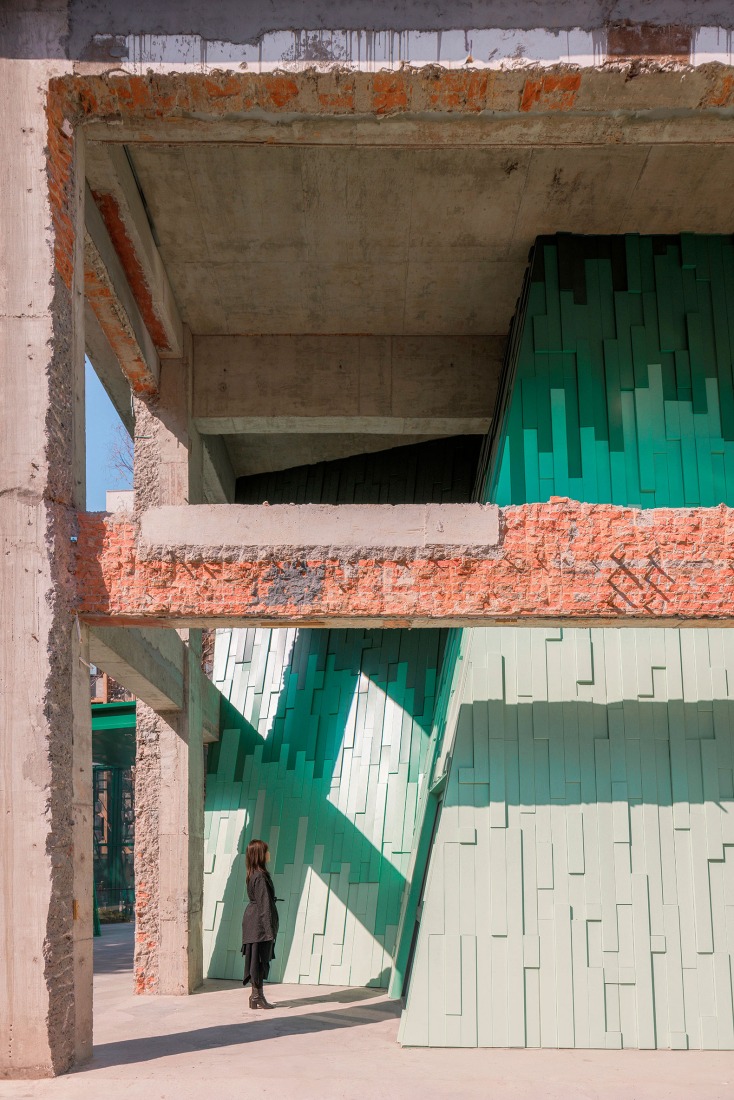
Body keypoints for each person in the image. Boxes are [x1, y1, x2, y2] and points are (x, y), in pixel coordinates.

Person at [241, 838, 279, 1010]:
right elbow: (264, 904)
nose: (269, 854)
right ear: (260, 855)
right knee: (259, 960)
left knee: (256, 960)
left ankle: (255, 996)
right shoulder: (261, 877)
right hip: (258, 925)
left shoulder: (252, 874)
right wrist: (269, 930)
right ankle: (257, 996)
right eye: (266, 851)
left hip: (253, 922)